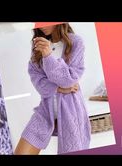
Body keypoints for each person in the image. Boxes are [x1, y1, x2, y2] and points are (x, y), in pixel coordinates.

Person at [15, 23, 91, 155]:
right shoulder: (39, 45)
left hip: (71, 112)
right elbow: (37, 80)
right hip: (46, 110)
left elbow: (69, 80)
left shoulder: (75, 42)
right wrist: (59, 89)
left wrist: (48, 55)